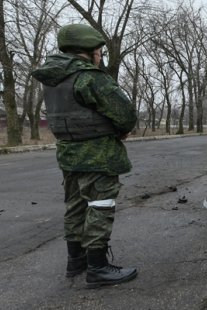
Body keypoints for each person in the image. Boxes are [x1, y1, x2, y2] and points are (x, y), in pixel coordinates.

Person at [31, 24, 138, 288]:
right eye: (98, 51)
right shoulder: (89, 77)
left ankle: (76, 261)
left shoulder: (53, 79)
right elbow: (125, 114)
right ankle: (98, 268)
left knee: (75, 206)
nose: (101, 55)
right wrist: (121, 129)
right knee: (100, 206)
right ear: (87, 51)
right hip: (98, 155)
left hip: (68, 153)